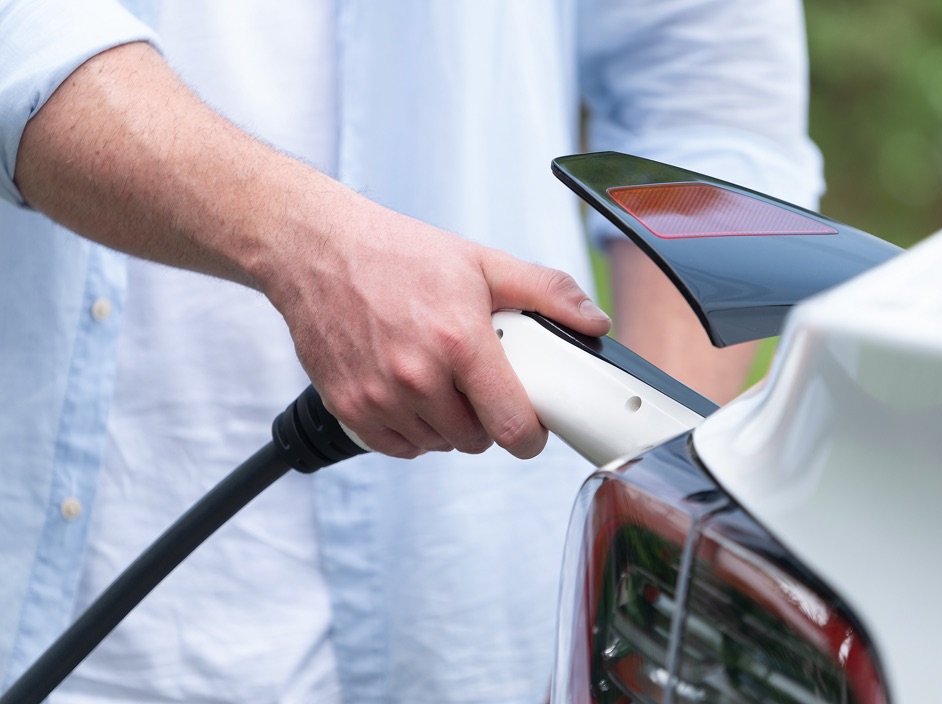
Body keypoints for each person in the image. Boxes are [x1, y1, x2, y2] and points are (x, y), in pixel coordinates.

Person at [0, 0, 824, 702]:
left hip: (486, 606)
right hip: (66, 615)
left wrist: (647, 485)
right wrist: (311, 247)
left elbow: (708, 96)